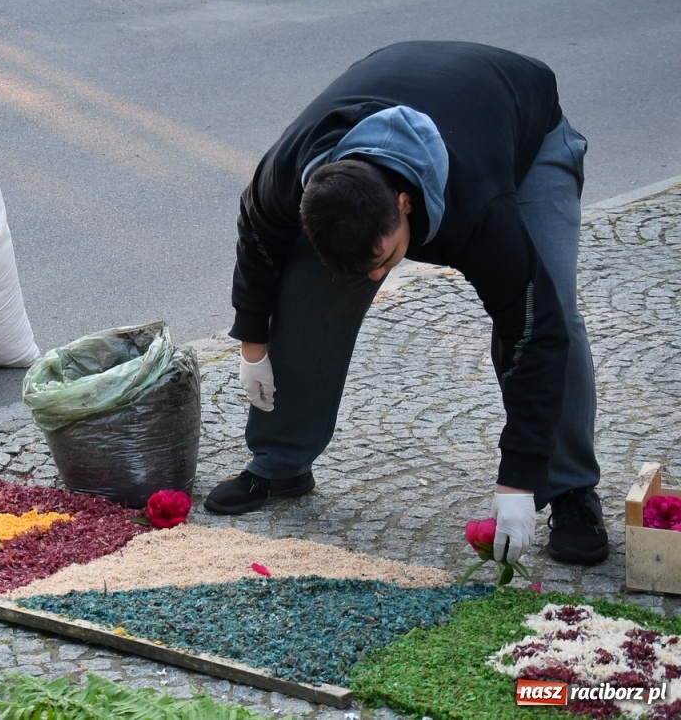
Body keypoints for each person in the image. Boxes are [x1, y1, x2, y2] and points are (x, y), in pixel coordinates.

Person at [207, 41, 608, 567]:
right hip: (403, 86)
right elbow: (259, 242)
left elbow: (536, 334)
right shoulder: (290, 174)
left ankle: (572, 490)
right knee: (309, 289)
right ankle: (281, 461)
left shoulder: (482, 212)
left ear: (404, 205)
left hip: (524, 131)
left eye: (385, 258)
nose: (378, 277)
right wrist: (254, 346)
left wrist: (518, 481)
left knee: (550, 309)